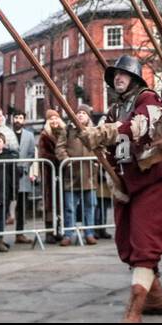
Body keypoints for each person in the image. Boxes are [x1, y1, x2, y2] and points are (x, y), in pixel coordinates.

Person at [76, 55, 162, 323]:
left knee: (145, 244)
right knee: (126, 243)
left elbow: (139, 127)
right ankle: (155, 297)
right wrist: (92, 135)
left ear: (134, 77)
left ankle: (134, 311)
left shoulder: (150, 99)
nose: (118, 78)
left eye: (124, 74)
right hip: (128, 180)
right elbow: (107, 138)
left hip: (153, 176)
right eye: (115, 75)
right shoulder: (115, 108)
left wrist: (105, 133)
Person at [55, 105, 99, 247]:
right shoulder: (67, 130)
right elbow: (60, 147)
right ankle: (68, 234)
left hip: (89, 174)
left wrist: (97, 161)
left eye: (83, 113)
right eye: (78, 112)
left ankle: (89, 233)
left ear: (88, 116)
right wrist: (66, 160)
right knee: (69, 207)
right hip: (71, 174)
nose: (80, 115)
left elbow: (101, 147)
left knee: (90, 205)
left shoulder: (94, 130)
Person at [9, 109, 39, 244]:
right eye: (16, 117)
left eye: (20, 118)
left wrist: (25, 165)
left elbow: (32, 153)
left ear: (24, 120)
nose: (18, 120)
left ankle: (19, 233)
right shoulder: (7, 133)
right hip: (8, 172)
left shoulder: (29, 135)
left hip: (23, 174)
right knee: (5, 203)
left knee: (22, 204)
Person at [36, 109, 64, 242]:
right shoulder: (44, 136)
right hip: (49, 173)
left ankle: (59, 229)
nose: (54, 121)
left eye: (56, 118)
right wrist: (59, 157)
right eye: (51, 119)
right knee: (49, 203)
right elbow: (43, 154)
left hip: (62, 173)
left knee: (60, 203)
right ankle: (49, 231)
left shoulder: (64, 133)